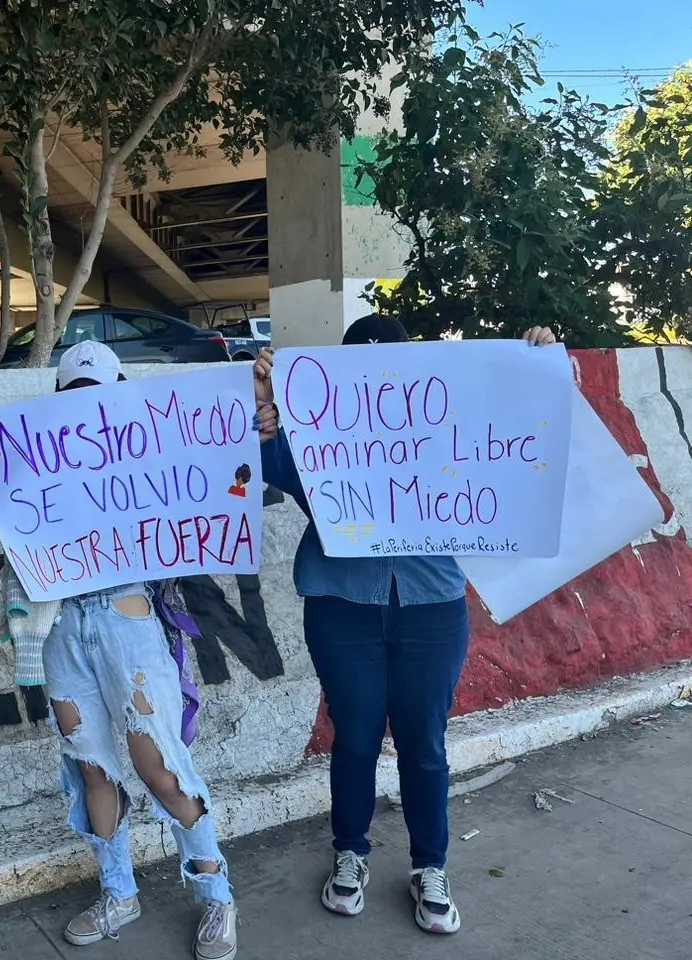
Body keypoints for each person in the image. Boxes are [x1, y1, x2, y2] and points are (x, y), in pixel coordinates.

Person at [251, 317, 559, 936]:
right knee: (357, 737)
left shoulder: (446, 418)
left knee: (424, 743)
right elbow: (270, 461)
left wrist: (538, 367)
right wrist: (264, 410)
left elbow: (518, 430)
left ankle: (430, 866)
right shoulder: (315, 434)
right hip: (341, 605)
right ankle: (350, 852)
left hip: (431, 606)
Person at [0, 341, 237, 960]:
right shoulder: (35, 456)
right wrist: (5, 473)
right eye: (74, 396)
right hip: (61, 628)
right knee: (91, 767)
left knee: (161, 766)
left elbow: (198, 487)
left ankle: (217, 895)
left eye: (97, 393)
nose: (86, 407)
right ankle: (118, 892)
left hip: (128, 620)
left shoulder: (143, 450)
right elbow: (25, 537)